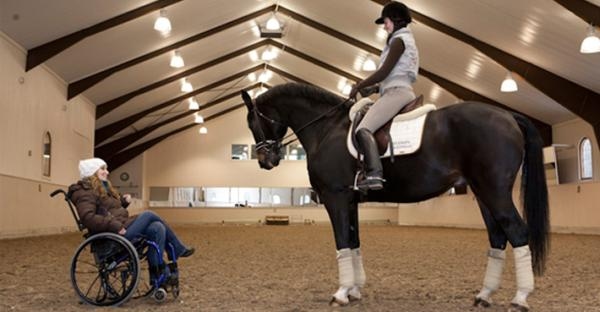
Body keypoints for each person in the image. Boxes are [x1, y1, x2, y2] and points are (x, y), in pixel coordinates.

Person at [68, 158, 194, 281]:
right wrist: (114, 225)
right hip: (111, 237)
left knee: (157, 227)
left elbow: (108, 210)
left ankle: (158, 276)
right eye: (103, 169)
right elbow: (88, 218)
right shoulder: (84, 192)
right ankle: (177, 248)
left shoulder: (102, 189)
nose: (107, 172)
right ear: (92, 172)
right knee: (148, 215)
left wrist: (123, 202)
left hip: (119, 228)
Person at [349, 1, 419, 191]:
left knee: (363, 129)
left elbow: (385, 71)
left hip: (397, 93)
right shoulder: (402, 39)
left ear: (395, 19)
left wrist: (360, 85)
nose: (385, 26)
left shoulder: (398, 40)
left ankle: (374, 174)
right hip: (395, 89)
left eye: (386, 21)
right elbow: (395, 73)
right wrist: (373, 90)